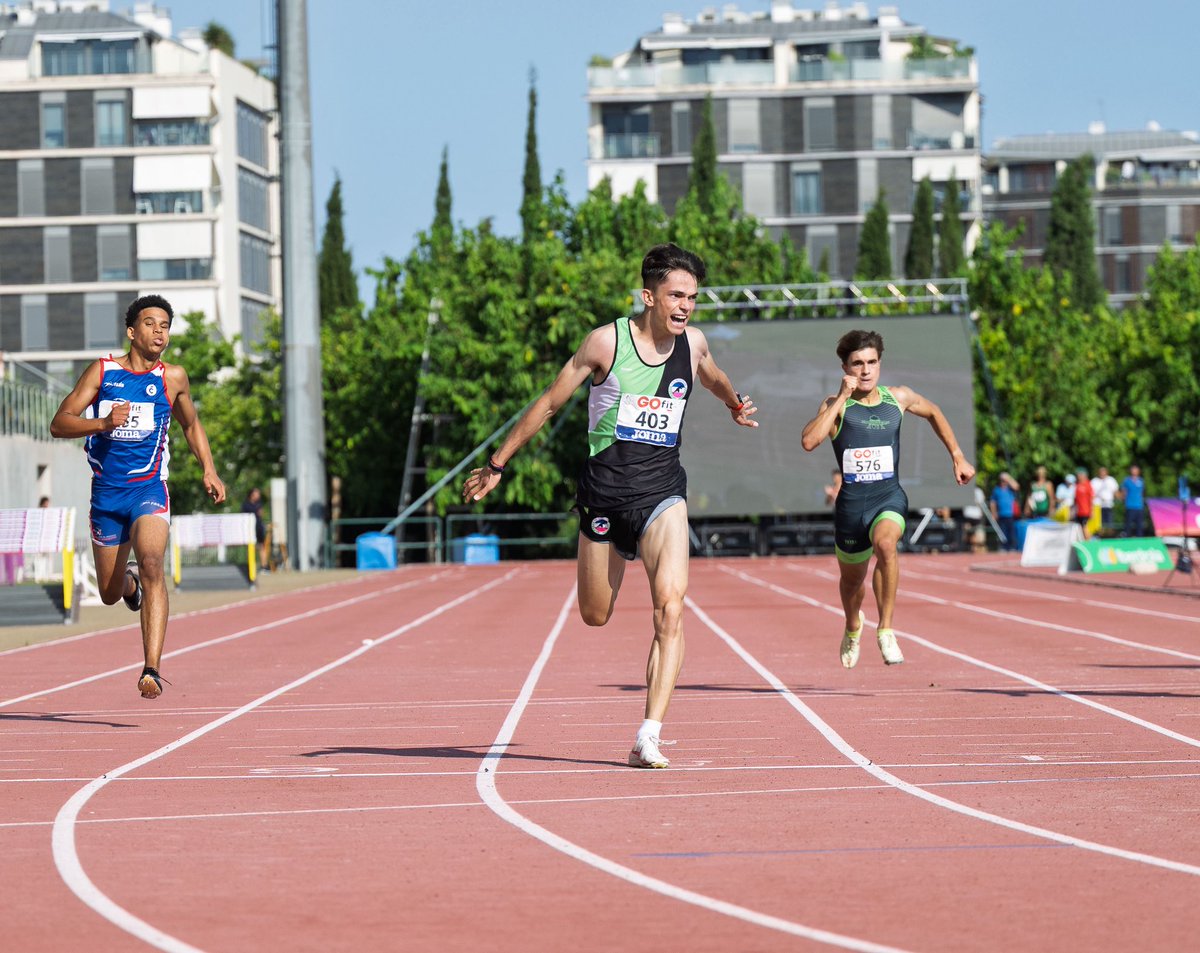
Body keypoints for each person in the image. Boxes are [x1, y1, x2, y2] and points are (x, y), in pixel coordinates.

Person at [461, 243, 758, 769]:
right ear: (649, 296)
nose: (686, 306)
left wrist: (734, 404)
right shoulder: (606, 343)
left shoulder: (693, 343)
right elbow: (550, 403)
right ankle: (612, 552)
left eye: (692, 297)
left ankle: (649, 734)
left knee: (671, 607)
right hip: (603, 494)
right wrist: (497, 464)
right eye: (676, 295)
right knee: (595, 614)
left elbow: (711, 373)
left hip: (662, 493)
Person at [50, 294, 226, 699]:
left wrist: (209, 468)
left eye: (165, 325)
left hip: (149, 489)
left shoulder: (172, 378)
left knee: (152, 562)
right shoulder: (103, 372)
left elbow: (191, 424)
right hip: (106, 498)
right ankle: (128, 585)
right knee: (109, 594)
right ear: (132, 331)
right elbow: (59, 423)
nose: (159, 331)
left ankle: (151, 669)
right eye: (150, 323)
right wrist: (101, 423)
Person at [800, 329, 974, 668]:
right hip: (852, 508)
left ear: (880, 363)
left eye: (872, 362)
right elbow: (809, 441)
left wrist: (957, 455)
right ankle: (853, 625)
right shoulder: (835, 406)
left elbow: (934, 411)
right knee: (852, 583)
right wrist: (841, 397)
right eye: (857, 364)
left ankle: (886, 629)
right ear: (845, 367)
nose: (865, 370)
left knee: (887, 545)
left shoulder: (898, 398)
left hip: (888, 497)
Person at [989, 472, 1019, 551]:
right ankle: (1003, 547)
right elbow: (993, 502)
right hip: (1001, 515)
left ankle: (1012, 547)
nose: (1003, 482)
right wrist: (993, 513)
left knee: (1012, 532)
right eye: (1002, 480)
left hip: (1011, 514)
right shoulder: (996, 490)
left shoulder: (1010, 489)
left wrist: (1008, 478)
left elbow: (1016, 486)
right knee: (1002, 532)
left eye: (1004, 480)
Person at [242, 486, 268, 570]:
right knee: (250, 547)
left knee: (262, 546)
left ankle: (264, 566)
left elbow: (261, 514)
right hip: (250, 529)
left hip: (259, 528)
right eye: (257, 493)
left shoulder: (259, 504)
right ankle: (250, 567)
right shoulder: (246, 505)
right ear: (252, 495)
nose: (258, 495)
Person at [1120, 464, 1146, 537]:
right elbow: (1123, 492)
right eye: (1133, 470)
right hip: (1130, 505)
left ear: (1138, 471)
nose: (1134, 471)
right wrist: (1123, 498)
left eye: (1136, 470)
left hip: (1139, 506)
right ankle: (1127, 538)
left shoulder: (1141, 481)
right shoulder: (1127, 480)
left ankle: (1139, 539)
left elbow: (1142, 493)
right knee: (1128, 525)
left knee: (1139, 525)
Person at [1091, 465, 1119, 534]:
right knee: (1100, 524)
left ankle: (1110, 535)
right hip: (1097, 505)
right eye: (1101, 472)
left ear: (1106, 472)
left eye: (1104, 472)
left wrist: (1119, 498)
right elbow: (1091, 494)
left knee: (1109, 522)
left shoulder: (1111, 480)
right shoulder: (1094, 481)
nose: (1102, 473)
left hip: (1108, 505)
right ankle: (1100, 535)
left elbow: (1115, 491)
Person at [1073, 467, 1094, 537]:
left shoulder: (1088, 484)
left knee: (1084, 526)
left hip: (1085, 511)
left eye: (1079, 474)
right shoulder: (1077, 485)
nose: (1078, 476)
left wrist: (1092, 511)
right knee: (1079, 527)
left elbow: (1091, 498)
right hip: (1078, 511)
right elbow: (1075, 499)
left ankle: (1088, 541)